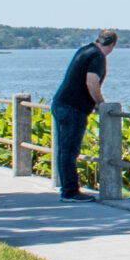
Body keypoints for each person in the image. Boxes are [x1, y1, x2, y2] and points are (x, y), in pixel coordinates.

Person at [52, 30, 117, 199]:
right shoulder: (98, 56)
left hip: (61, 103)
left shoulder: (84, 50)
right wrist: (102, 103)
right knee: (70, 151)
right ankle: (70, 192)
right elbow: (91, 82)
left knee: (64, 150)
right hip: (73, 108)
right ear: (112, 45)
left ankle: (67, 189)